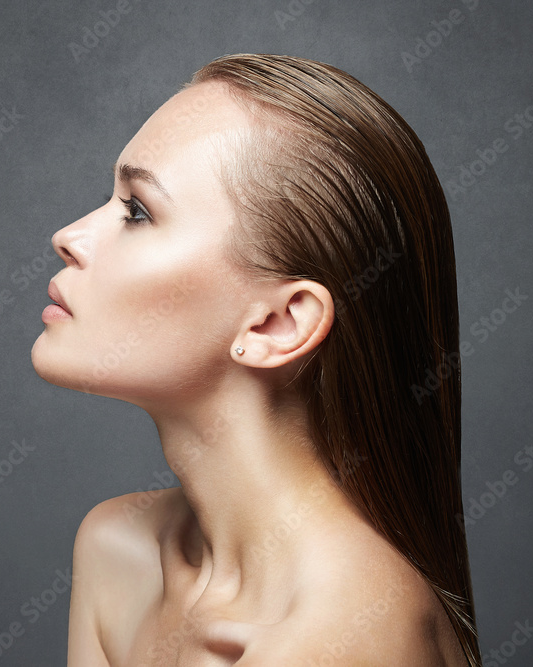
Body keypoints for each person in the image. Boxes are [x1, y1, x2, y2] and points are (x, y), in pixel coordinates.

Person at [31, 53, 479, 666]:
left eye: (137, 211)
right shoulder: (119, 549)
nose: (69, 236)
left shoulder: (344, 632)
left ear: (276, 323)